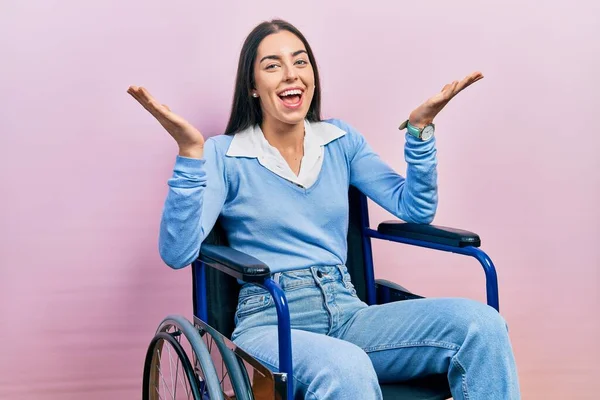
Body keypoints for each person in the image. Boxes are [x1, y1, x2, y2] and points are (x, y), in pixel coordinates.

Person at [128, 19, 520, 400]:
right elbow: (177, 252)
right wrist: (190, 156)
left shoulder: (341, 140)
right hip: (272, 318)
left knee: (481, 326)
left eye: (300, 61)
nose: (290, 74)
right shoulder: (224, 153)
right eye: (272, 65)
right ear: (252, 87)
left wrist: (420, 132)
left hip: (348, 310)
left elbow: (414, 208)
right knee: (346, 367)